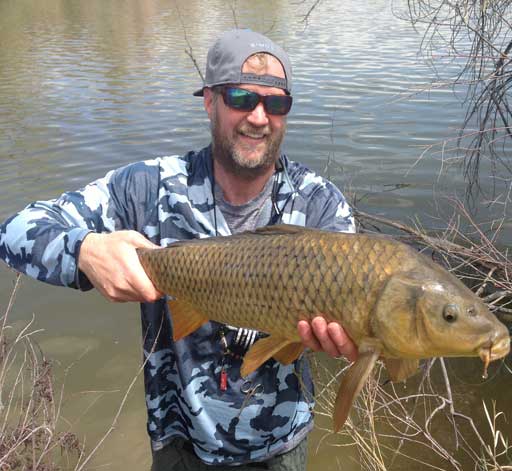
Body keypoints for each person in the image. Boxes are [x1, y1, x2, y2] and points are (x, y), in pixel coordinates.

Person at [0, 29, 357, 470]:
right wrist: (85, 250)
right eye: (241, 98)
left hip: (279, 446)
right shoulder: (148, 188)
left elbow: (354, 325)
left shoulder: (320, 205)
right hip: (178, 443)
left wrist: (354, 338)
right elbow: (15, 231)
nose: (260, 117)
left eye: (276, 103)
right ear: (210, 101)